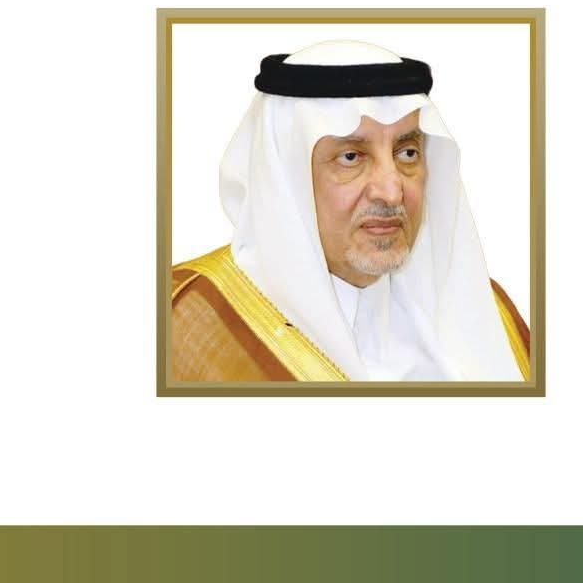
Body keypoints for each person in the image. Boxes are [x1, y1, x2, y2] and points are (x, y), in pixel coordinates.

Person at [171, 40, 529, 381]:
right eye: (351, 157)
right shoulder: (183, 319)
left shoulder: (489, 315)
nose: (391, 192)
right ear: (283, 176)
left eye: (407, 153)